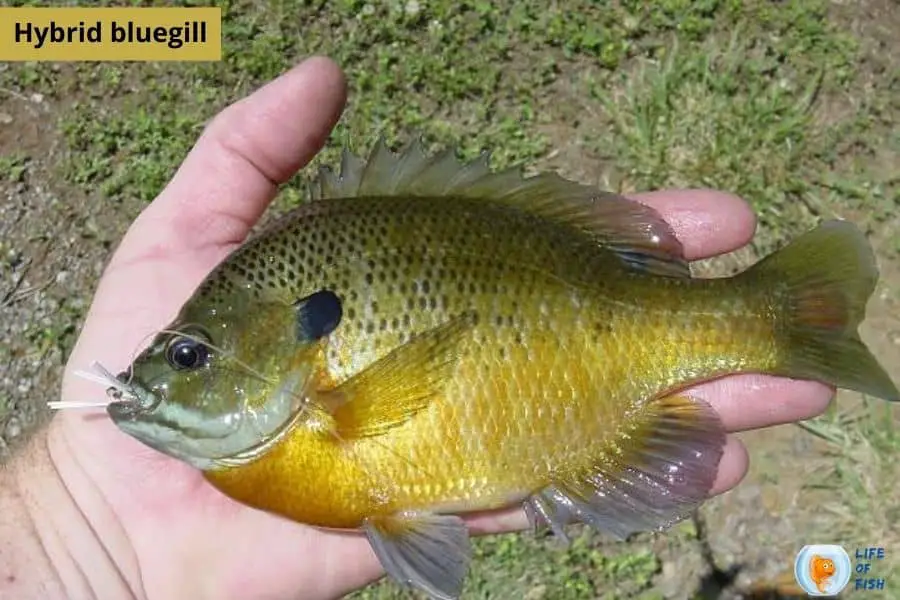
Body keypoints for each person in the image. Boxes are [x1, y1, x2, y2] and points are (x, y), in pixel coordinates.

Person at [0, 57, 834, 600]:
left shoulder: (316, 404)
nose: (169, 375)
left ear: (287, 343)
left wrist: (72, 537)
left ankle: (770, 320)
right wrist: (72, 531)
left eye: (193, 355)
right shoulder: (270, 425)